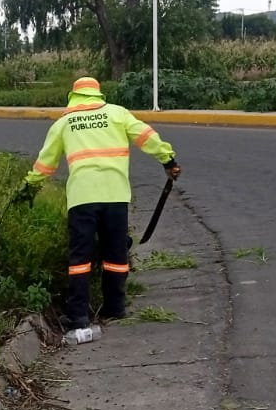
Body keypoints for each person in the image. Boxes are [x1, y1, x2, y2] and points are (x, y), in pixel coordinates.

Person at [21, 77, 181, 343]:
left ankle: (78, 316)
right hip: (116, 195)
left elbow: (45, 164)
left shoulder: (64, 124)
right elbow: (147, 137)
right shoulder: (117, 114)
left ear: (74, 96)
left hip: (82, 199)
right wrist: (168, 159)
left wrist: (28, 187)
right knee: (116, 253)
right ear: (98, 95)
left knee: (80, 258)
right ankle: (115, 307)